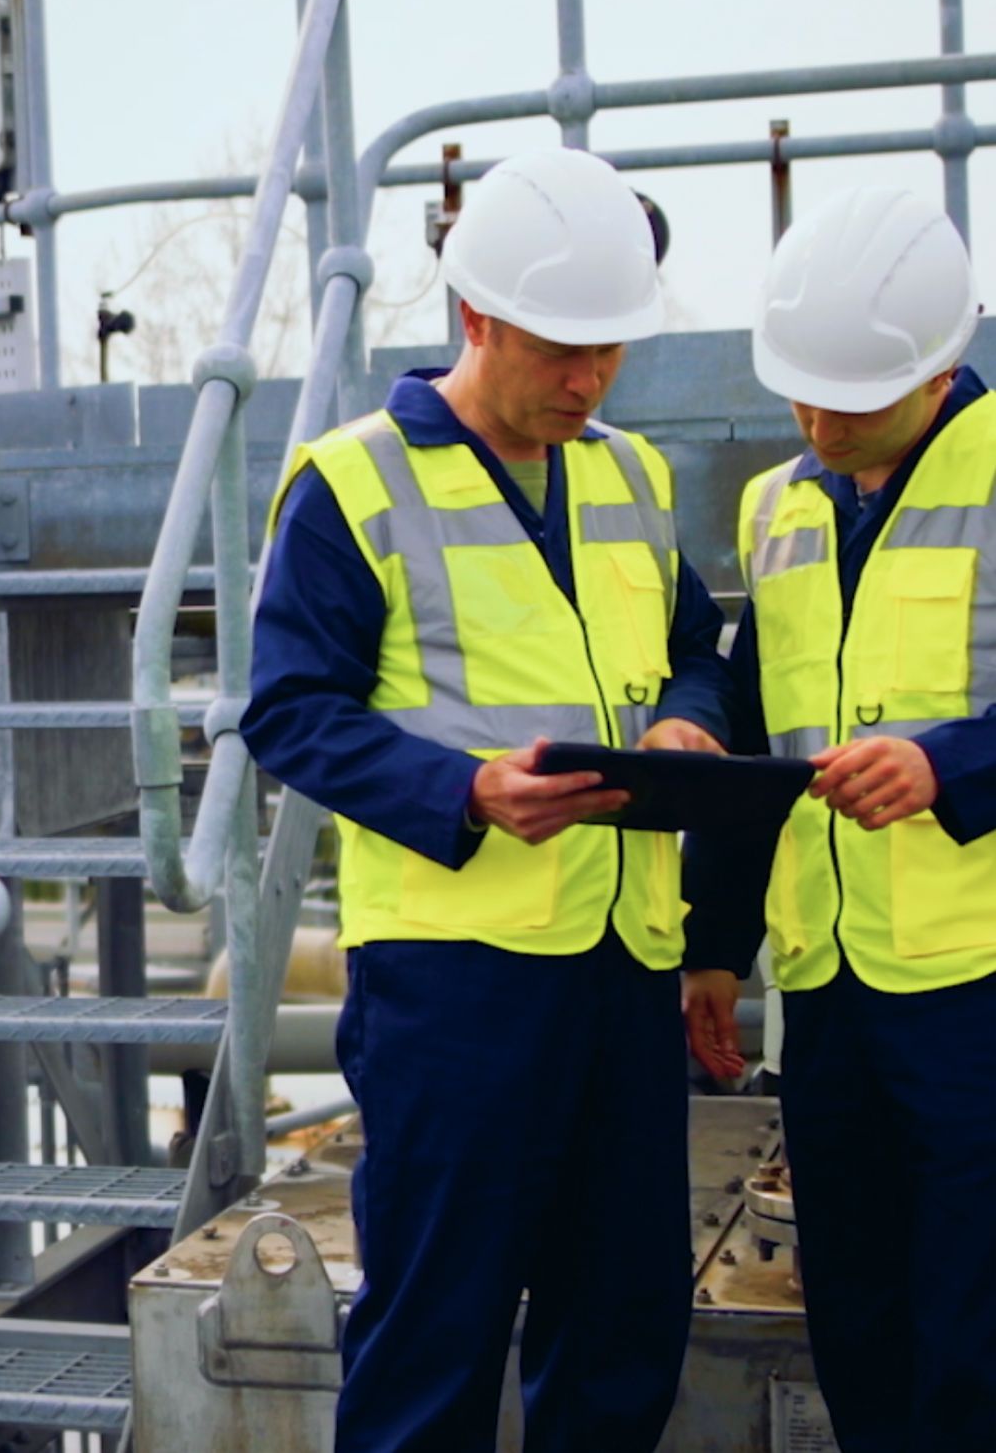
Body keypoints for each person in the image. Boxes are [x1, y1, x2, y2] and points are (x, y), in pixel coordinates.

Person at [242, 146, 733, 1452]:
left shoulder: (626, 476)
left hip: (623, 964)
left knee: (621, 1321)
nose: (586, 381)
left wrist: (691, 711)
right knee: (432, 1331)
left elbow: (696, 641)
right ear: (476, 319)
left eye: (608, 354)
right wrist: (459, 792)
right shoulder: (352, 486)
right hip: (456, 985)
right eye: (559, 352)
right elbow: (286, 712)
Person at [680, 185, 993, 1450]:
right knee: (852, 1309)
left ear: (941, 367)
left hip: (977, 983)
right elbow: (759, 743)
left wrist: (952, 767)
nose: (813, 424)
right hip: (833, 991)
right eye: (798, 396)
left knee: (973, 1322)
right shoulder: (778, 507)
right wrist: (714, 943)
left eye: (846, 402)